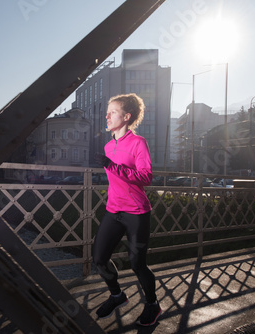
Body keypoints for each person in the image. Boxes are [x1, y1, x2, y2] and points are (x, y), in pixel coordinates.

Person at [93, 93, 161, 326]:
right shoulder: (108, 145)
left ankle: (152, 305)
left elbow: (146, 176)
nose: (107, 115)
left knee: (136, 264)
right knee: (99, 259)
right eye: (107, 111)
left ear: (126, 116)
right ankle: (117, 295)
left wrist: (113, 166)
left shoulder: (138, 143)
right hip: (114, 210)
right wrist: (111, 165)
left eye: (112, 112)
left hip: (136, 212)